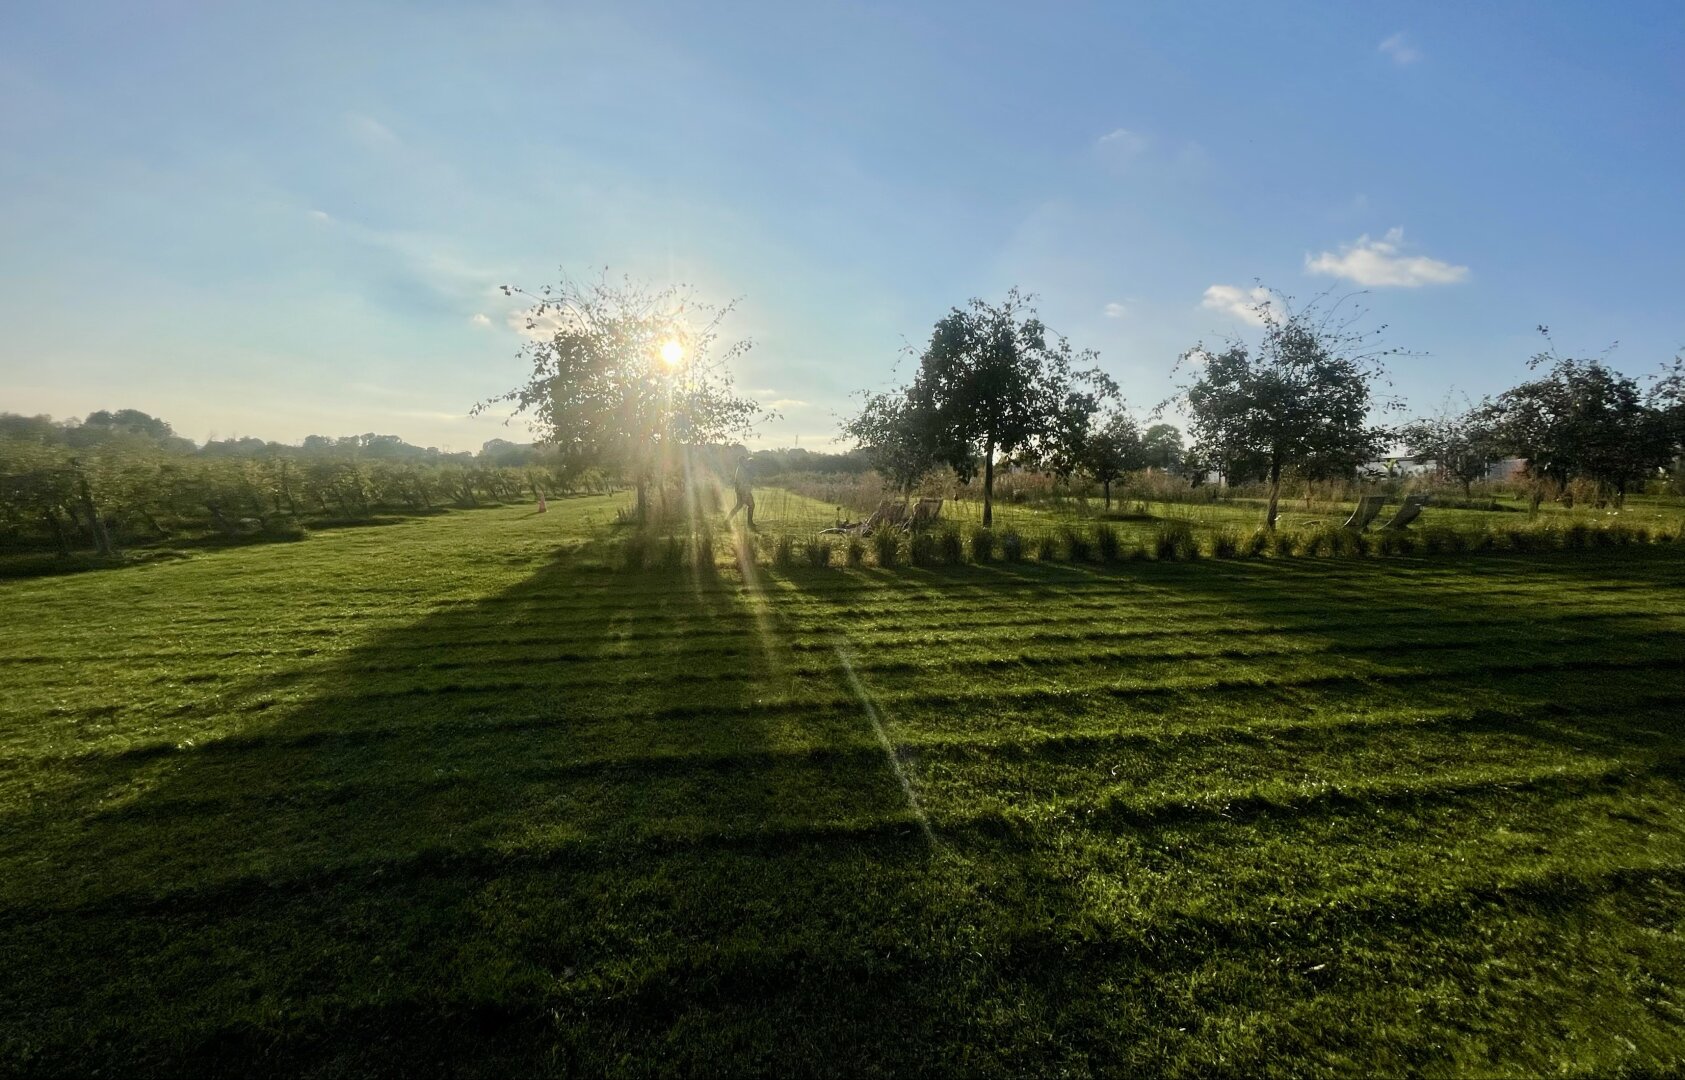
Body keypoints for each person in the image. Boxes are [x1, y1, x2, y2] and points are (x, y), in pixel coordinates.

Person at [727, 457, 755, 528]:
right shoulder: (741, 469)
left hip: (741, 490)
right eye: (744, 460)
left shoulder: (741, 468)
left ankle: (727, 521)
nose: (746, 462)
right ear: (741, 461)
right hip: (743, 491)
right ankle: (749, 523)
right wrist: (745, 493)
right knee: (751, 505)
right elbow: (742, 482)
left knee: (739, 506)